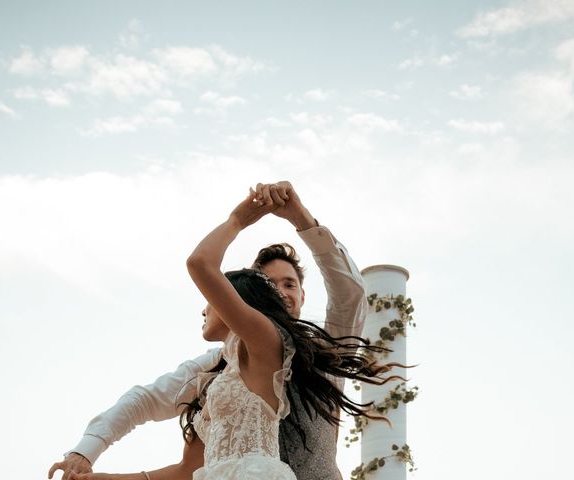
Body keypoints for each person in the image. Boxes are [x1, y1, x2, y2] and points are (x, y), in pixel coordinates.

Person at [70, 188, 400, 480]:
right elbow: (146, 402)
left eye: (290, 284)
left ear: (302, 295)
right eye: (270, 285)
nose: (281, 292)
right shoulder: (214, 370)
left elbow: (349, 295)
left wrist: (301, 219)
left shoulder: (321, 352)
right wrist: (86, 453)